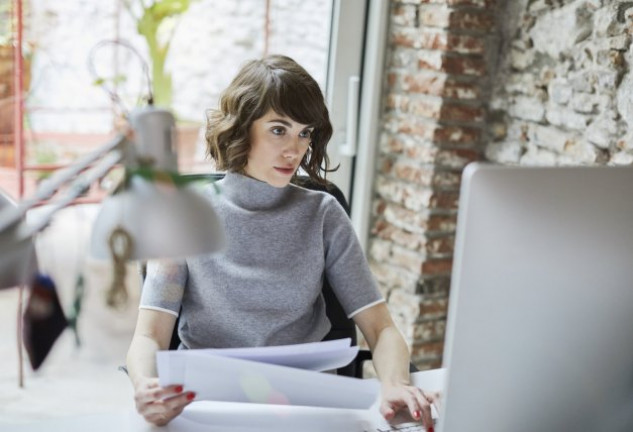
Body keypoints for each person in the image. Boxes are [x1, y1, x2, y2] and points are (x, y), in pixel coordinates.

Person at [126, 54, 438, 430]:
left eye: (304, 132)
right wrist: (146, 387)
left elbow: (382, 328)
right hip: (210, 405)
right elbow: (149, 336)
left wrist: (394, 384)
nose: (295, 149)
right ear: (241, 129)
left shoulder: (323, 214)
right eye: (279, 130)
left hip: (308, 406)